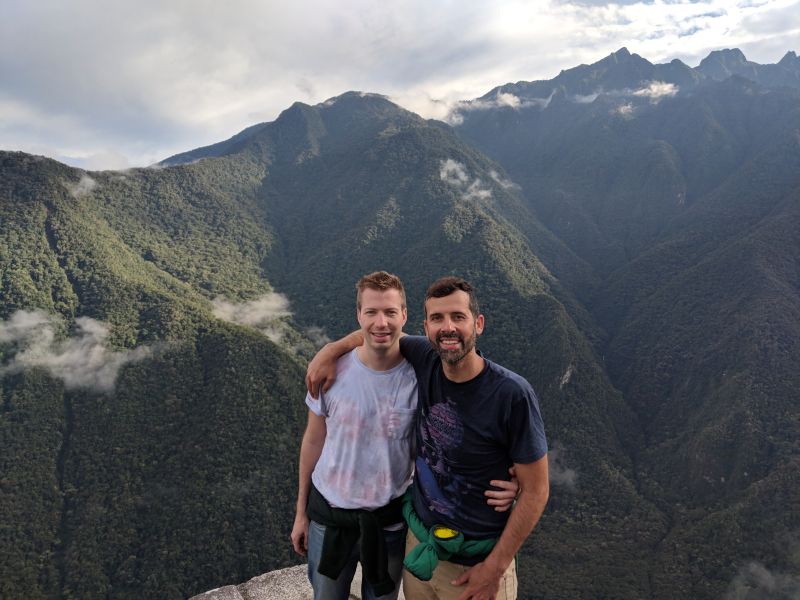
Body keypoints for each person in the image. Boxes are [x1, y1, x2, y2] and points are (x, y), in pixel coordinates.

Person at [306, 276, 549, 600]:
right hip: (419, 551)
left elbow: (537, 490)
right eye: (437, 318)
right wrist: (330, 350)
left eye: (458, 317)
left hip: (474, 563)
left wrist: (494, 570)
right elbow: (380, 331)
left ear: (478, 323)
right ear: (426, 327)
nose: (447, 328)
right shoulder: (424, 358)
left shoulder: (511, 394)